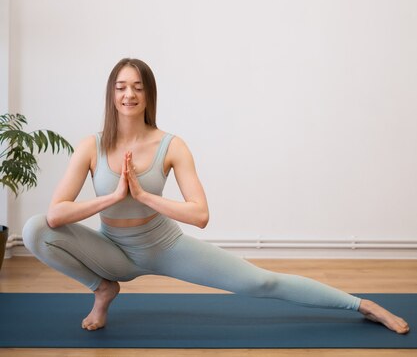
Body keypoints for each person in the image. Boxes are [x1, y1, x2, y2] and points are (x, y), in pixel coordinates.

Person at [23, 58, 409, 334]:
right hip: (111, 251)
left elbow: (200, 215)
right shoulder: (90, 146)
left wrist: (141, 195)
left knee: (262, 283)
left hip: (163, 245)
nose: (129, 94)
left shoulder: (171, 145)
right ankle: (102, 289)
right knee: (35, 228)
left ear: (149, 95)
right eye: (122, 87)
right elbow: (57, 216)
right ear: (111, 94)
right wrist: (113, 197)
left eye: (138, 87)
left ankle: (362, 305)